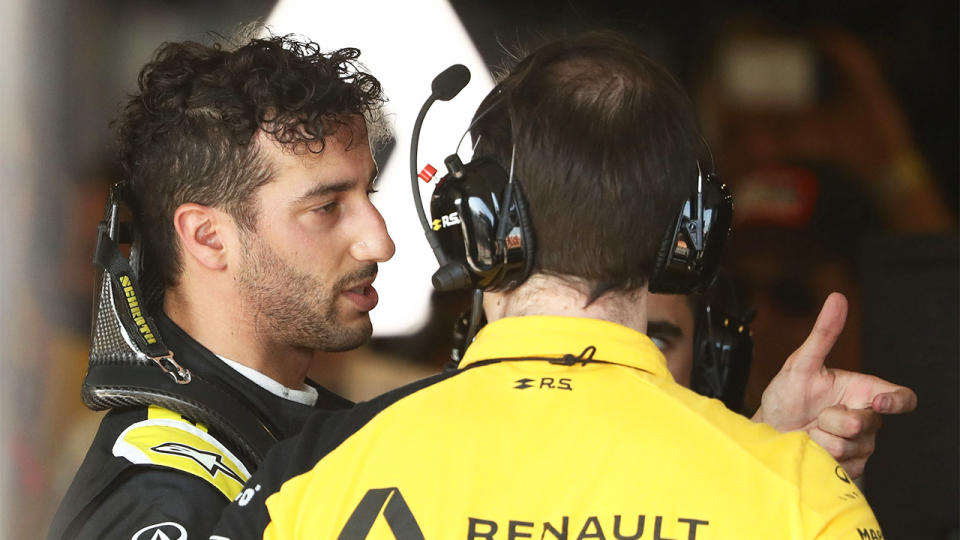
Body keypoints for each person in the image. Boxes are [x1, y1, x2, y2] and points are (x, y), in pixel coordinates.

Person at [211, 32, 890, 539]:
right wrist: (763, 455)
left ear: (476, 226)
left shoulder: (308, 476)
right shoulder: (800, 499)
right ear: (688, 238)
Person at [47, 34, 394, 539]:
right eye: (326, 208)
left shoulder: (282, 426)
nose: (378, 242)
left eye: (369, 192)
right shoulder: (167, 498)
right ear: (208, 237)